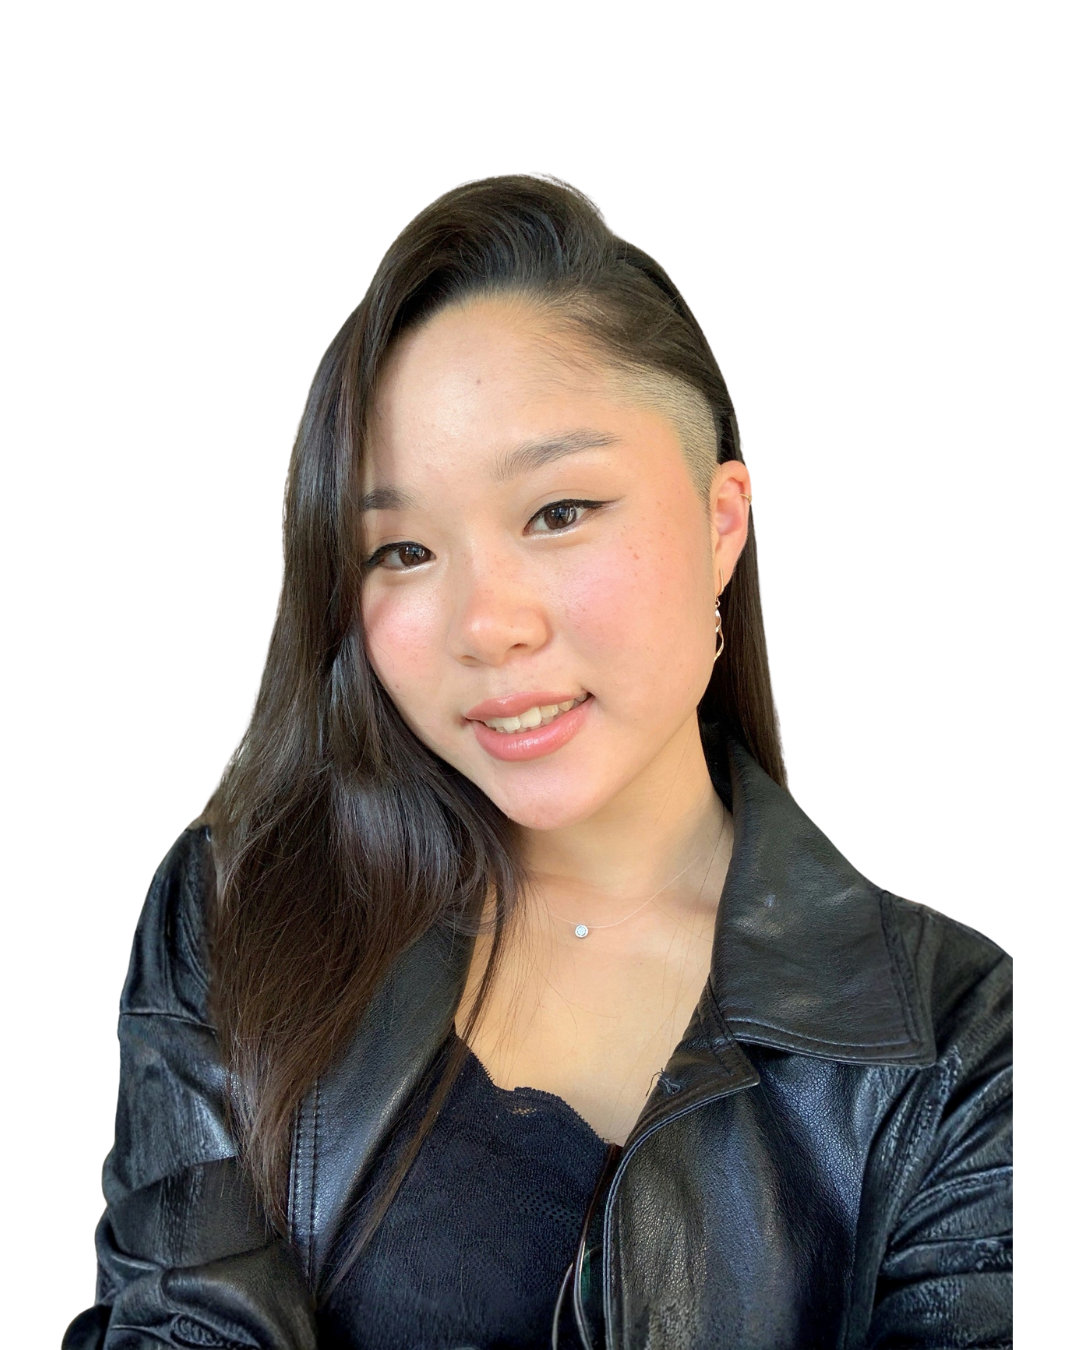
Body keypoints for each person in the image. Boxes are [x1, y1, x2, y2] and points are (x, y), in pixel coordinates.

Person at [63, 175, 1012, 1350]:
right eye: (402, 549)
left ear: (721, 521)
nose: (486, 624)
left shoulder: (959, 1045)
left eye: (559, 512)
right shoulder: (243, 910)